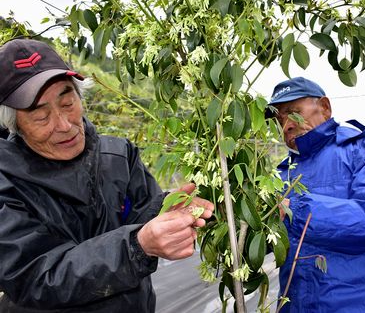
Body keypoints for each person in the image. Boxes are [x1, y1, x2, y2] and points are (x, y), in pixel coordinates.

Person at [0, 38, 214, 313]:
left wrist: (173, 206)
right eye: (41, 118)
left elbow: (139, 218)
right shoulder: (7, 182)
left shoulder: (118, 154)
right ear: (13, 124)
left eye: (68, 104)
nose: (64, 125)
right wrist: (137, 246)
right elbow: (35, 276)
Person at [266, 77, 365, 312]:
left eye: (292, 112)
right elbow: (270, 241)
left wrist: (295, 210)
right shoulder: (282, 176)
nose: (286, 125)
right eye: (278, 119)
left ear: (324, 107)